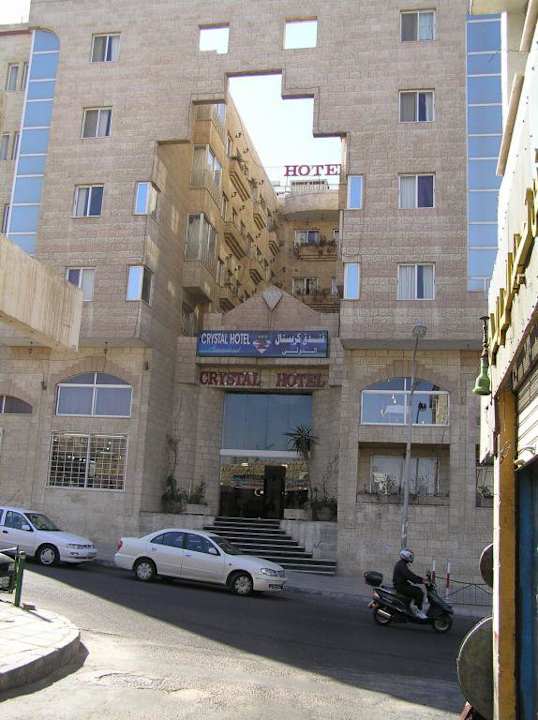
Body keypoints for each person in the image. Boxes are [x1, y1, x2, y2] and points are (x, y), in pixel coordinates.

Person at [393, 548, 427, 619]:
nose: (412, 558)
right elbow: (410, 576)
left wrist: (422, 579)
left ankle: (412, 608)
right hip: (401, 586)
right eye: (410, 556)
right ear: (406, 556)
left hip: (402, 585)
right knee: (419, 593)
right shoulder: (402, 565)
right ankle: (418, 612)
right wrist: (421, 581)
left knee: (417, 590)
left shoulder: (402, 564)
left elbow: (410, 574)